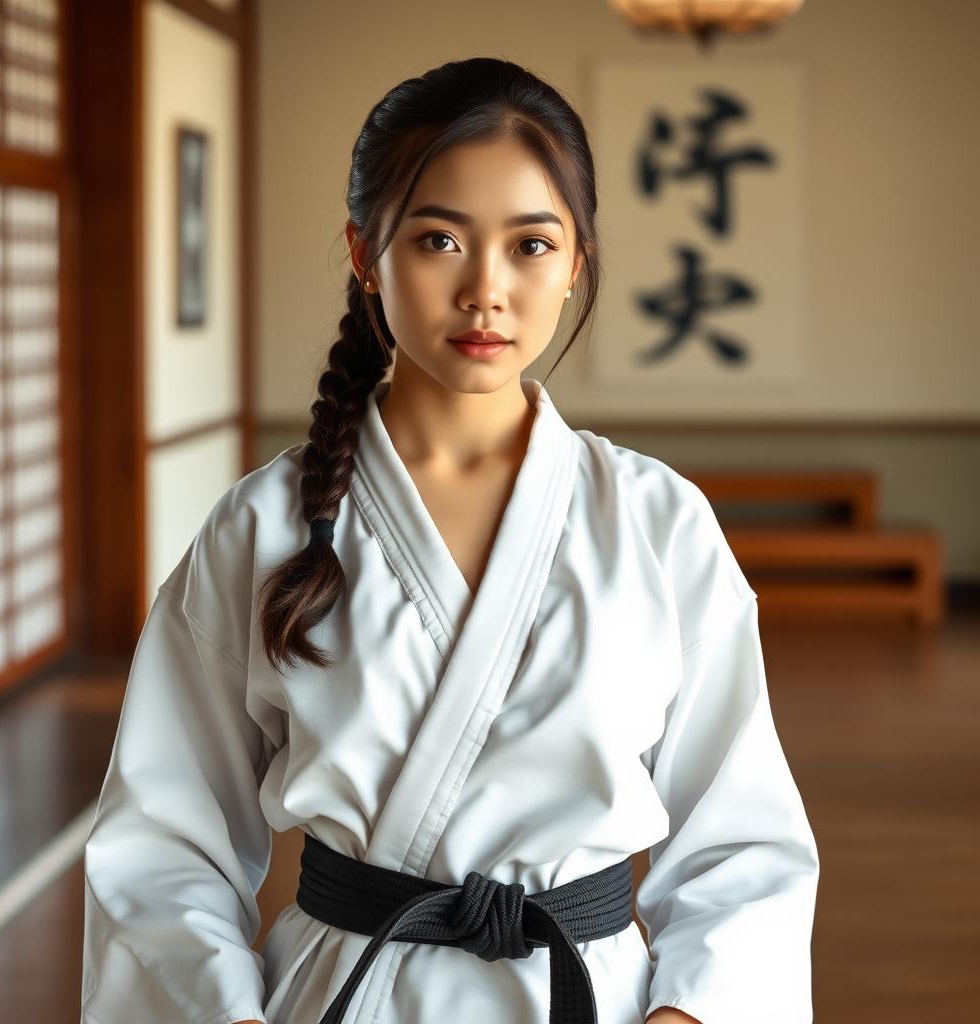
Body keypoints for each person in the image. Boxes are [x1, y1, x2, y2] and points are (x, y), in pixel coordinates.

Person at [80, 57, 819, 1024]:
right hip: (347, 994)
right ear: (364, 252)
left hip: (589, 997)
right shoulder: (263, 527)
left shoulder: (656, 521)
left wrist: (693, 1014)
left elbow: (743, 840)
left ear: (576, 264)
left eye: (531, 245)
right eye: (439, 240)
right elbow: (162, 845)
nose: (486, 291)